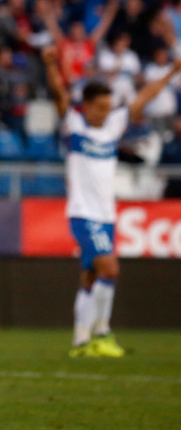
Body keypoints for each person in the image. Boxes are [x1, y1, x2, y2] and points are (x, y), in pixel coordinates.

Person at [42, 46, 181, 358]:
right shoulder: (74, 126)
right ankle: (102, 332)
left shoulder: (115, 125)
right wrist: (50, 64)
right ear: (87, 106)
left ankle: (80, 341)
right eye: (100, 108)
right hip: (82, 213)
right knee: (110, 269)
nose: (105, 113)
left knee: (91, 275)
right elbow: (58, 92)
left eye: (108, 108)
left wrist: (172, 72)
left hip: (107, 215)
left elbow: (145, 95)